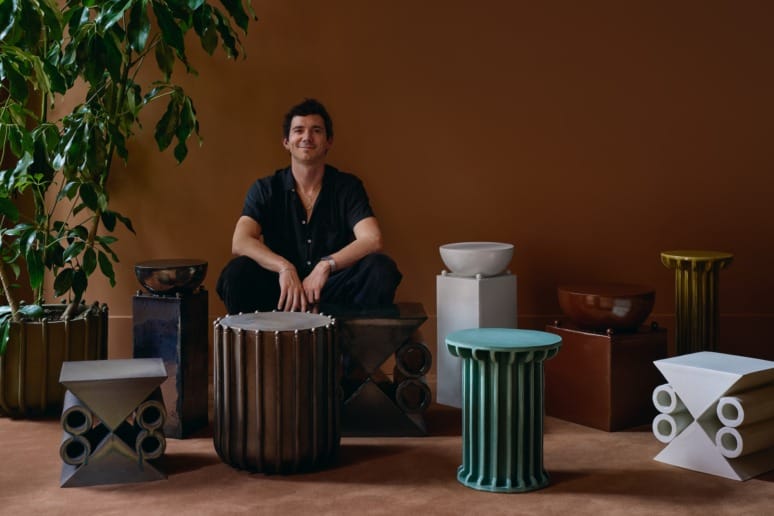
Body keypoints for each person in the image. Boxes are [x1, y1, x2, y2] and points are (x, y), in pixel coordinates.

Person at [216, 98, 402, 314]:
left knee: (381, 269)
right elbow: (240, 241)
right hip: (280, 289)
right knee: (236, 274)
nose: (307, 137)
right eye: (298, 130)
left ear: (328, 141)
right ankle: (260, 343)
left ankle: (337, 334)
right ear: (286, 141)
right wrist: (285, 267)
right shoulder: (266, 188)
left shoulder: (347, 187)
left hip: (331, 289)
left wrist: (325, 266)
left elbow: (372, 239)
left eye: (316, 130)